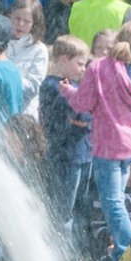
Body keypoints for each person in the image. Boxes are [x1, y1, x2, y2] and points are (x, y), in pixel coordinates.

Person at [70, 18, 131, 258]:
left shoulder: (99, 67)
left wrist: (67, 91)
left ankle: (129, 250)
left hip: (107, 144)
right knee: (117, 200)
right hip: (130, 145)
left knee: (112, 202)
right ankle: (120, 252)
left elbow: (83, 102)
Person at [40, 35, 92, 233]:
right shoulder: (52, 86)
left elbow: (89, 114)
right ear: (63, 60)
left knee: (80, 207)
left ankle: (79, 251)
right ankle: (61, 250)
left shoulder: (74, 85)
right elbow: (77, 111)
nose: (83, 69)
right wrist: (83, 115)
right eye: (79, 64)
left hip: (84, 153)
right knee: (64, 208)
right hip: (66, 156)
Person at [5, 0, 50, 117]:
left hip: (24, 116)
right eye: (17, 18)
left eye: (26, 21)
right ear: (10, 17)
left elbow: (33, 87)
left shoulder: (39, 50)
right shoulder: (0, 42)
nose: (20, 24)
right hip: (0, 114)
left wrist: (7, 77)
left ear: (34, 23)